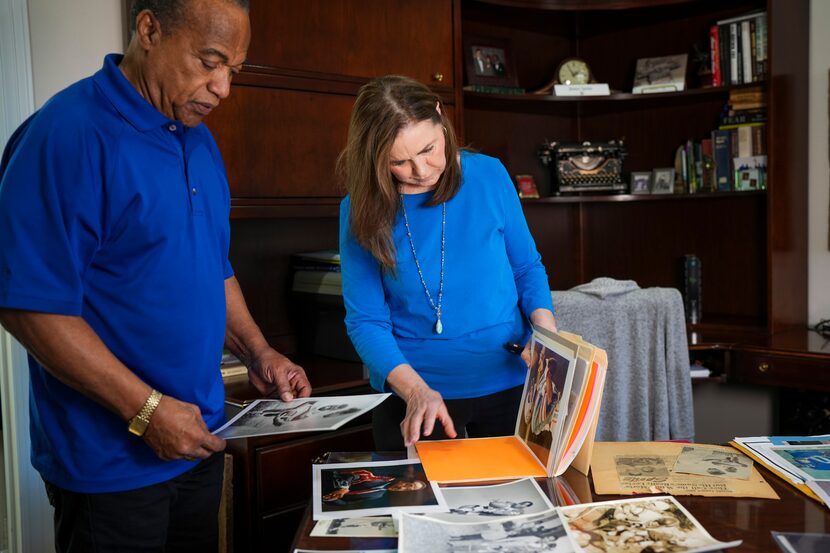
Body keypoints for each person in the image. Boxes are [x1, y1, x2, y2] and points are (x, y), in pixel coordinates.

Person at [0, 0, 311, 550]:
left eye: (232, 71)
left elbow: (212, 268)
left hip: (198, 441)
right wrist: (147, 412)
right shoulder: (66, 135)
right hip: (110, 466)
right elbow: (29, 307)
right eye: (210, 62)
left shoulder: (197, 136)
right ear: (149, 29)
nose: (223, 89)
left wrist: (258, 351)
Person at [338, 75, 557, 451]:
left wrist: (547, 338)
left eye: (429, 149)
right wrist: (416, 392)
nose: (422, 170)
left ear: (441, 118)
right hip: (415, 396)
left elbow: (526, 268)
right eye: (399, 162)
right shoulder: (359, 209)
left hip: (509, 385)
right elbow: (366, 320)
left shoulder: (489, 175)